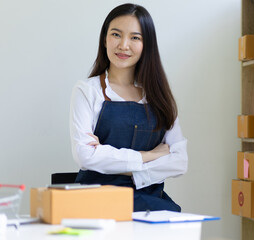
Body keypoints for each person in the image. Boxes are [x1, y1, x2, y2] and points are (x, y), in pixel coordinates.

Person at [69, 3, 188, 212]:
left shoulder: (159, 97)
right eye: (116, 34)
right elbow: (85, 156)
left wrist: (120, 166)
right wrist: (149, 156)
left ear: (146, 45)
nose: (124, 45)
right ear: (105, 38)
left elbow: (179, 161)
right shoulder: (87, 91)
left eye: (135, 37)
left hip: (150, 200)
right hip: (96, 201)